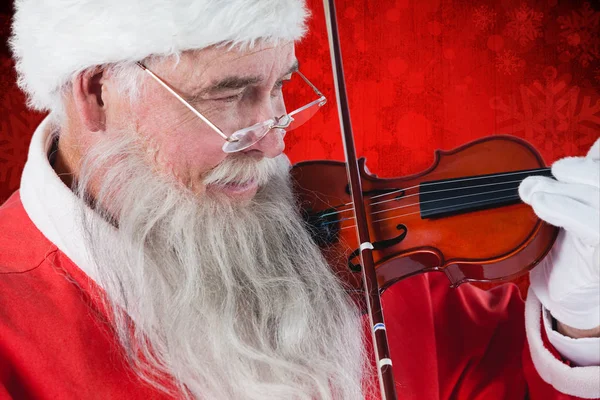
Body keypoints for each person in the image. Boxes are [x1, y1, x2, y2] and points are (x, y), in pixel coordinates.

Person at [0, 0, 598, 399]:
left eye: (280, 86)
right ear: (98, 92)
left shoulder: (364, 257)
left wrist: (580, 322)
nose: (273, 135)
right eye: (227, 95)